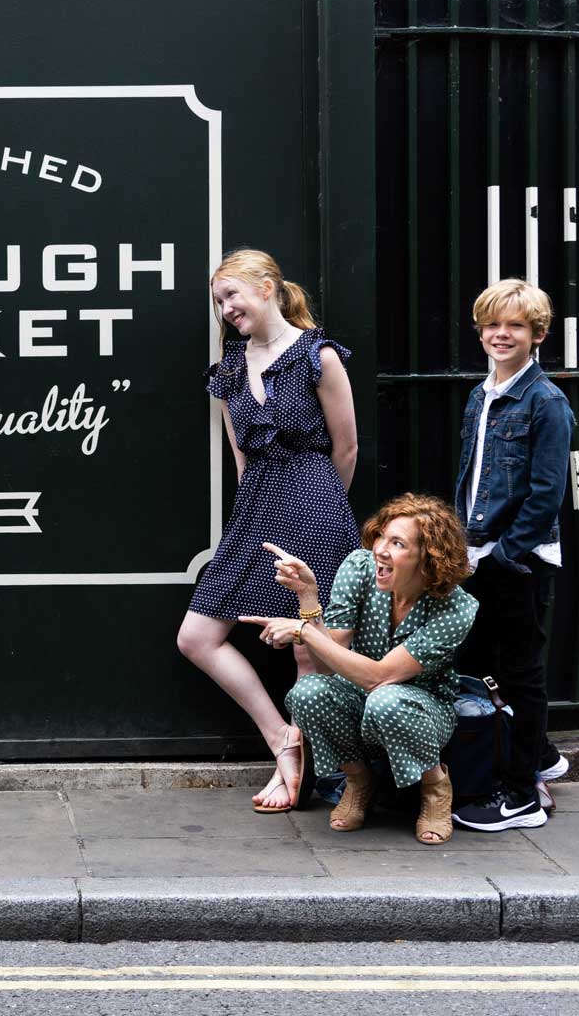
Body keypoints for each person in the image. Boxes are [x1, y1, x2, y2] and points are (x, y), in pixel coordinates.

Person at [177, 249, 360, 814]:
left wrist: (320, 512)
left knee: (306, 649)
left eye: (233, 295)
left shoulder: (318, 356)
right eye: (219, 301)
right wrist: (250, 519)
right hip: (254, 507)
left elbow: (346, 447)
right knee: (196, 637)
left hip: (313, 499)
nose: (227, 308)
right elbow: (241, 460)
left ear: (269, 288)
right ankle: (282, 738)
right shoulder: (229, 369)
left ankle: (305, 771)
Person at [241, 493, 478, 845]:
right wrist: (308, 597)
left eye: (397, 543)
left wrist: (302, 631)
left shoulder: (457, 608)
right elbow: (325, 661)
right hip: (358, 696)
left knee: (387, 698)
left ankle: (435, 787)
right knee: (307, 692)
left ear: (428, 558)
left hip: (423, 707)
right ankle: (358, 780)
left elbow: (379, 677)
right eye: (381, 536)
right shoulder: (359, 567)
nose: (380, 549)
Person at [449, 279, 574, 832]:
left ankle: (522, 795)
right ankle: (539, 754)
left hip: (516, 558)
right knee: (481, 667)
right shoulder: (482, 394)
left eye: (516, 326)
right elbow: (472, 479)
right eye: (492, 325)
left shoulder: (546, 402)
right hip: (476, 553)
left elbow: (547, 493)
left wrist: (504, 555)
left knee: (520, 673)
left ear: (538, 335)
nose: (502, 334)